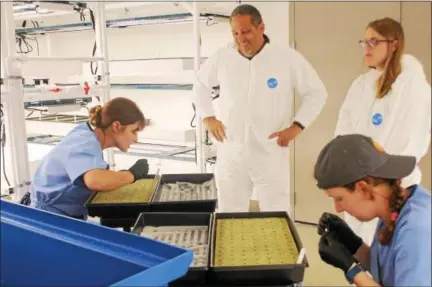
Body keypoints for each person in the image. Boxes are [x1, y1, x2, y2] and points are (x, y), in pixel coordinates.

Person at [193, 4, 327, 213]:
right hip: (231, 151)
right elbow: (200, 85)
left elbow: (317, 93)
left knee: (276, 213)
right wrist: (208, 117)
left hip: (270, 151)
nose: (240, 38)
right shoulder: (223, 57)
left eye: (246, 31)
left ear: (261, 28)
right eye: (235, 33)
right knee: (229, 212)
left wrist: (297, 126)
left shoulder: (286, 58)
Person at [335, 17, 431, 245]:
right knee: (360, 253)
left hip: (391, 188)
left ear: (394, 45)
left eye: (374, 42)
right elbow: (343, 129)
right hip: (358, 184)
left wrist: (374, 176)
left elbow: (410, 142)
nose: (367, 48)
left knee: (387, 256)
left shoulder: (415, 88)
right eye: (364, 42)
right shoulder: (361, 84)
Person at [314, 134, 431, 287]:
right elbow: (387, 270)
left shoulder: (416, 228)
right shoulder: (393, 210)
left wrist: (351, 269)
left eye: (339, 198)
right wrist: (352, 244)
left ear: (362, 188)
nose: (337, 208)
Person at [30, 97, 150, 219]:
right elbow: (94, 181)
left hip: (64, 215)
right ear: (117, 126)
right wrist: (131, 175)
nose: (136, 139)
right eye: (134, 131)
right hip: (47, 218)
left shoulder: (88, 137)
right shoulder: (83, 142)